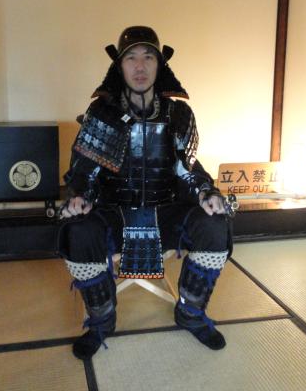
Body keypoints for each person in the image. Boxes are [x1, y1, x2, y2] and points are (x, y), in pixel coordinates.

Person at [58, 26, 235, 360]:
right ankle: (101, 321)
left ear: (160, 64)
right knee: (78, 230)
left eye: (148, 57)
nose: (140, 66)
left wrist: (206, 192)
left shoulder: (178, 113)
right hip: (114, 213)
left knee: (214, 224)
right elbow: (85, 172)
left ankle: (191, 312)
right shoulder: (102, 113)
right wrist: (80, 197)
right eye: (131, 58)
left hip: (166, 212)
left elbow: (186, 168)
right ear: (119, 65)